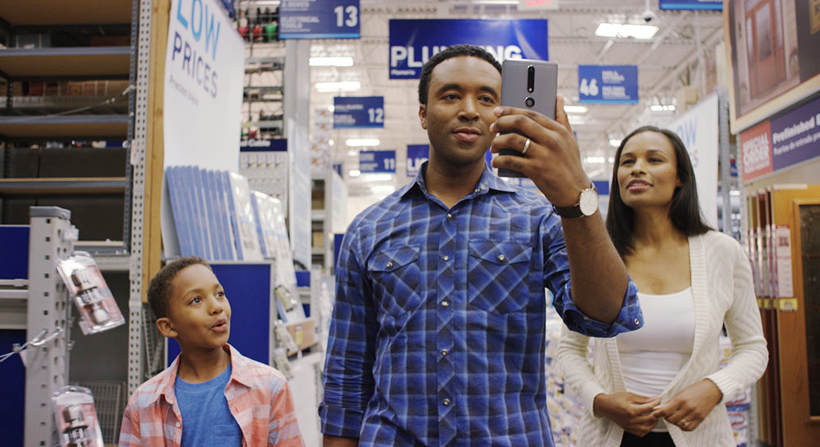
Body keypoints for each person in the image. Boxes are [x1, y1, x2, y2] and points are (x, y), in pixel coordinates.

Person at [319, 44, 643, 447]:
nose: (469, 109)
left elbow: (609, 315)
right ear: (423, 114)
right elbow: (348, 370)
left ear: (501, 114)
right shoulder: (369, 229)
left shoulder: (538, 219)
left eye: (486, 98)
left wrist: (575, 195)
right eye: (451, 95)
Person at [556, 126, 768, 447]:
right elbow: (570, 349)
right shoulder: (597, 255)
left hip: (701, 436)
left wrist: (714, 387)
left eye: (654, 159)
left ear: (681, 176)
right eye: (627, 162)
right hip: (610, 437)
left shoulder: (722, 253)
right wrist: (600, 400)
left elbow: (753, 347)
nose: (637, 168)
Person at [118, 256, 304, 447]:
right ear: (168, 327)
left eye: (220, 294)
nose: (216, 307)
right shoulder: (144, 403)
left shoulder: (270, 386)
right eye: (196, 300)